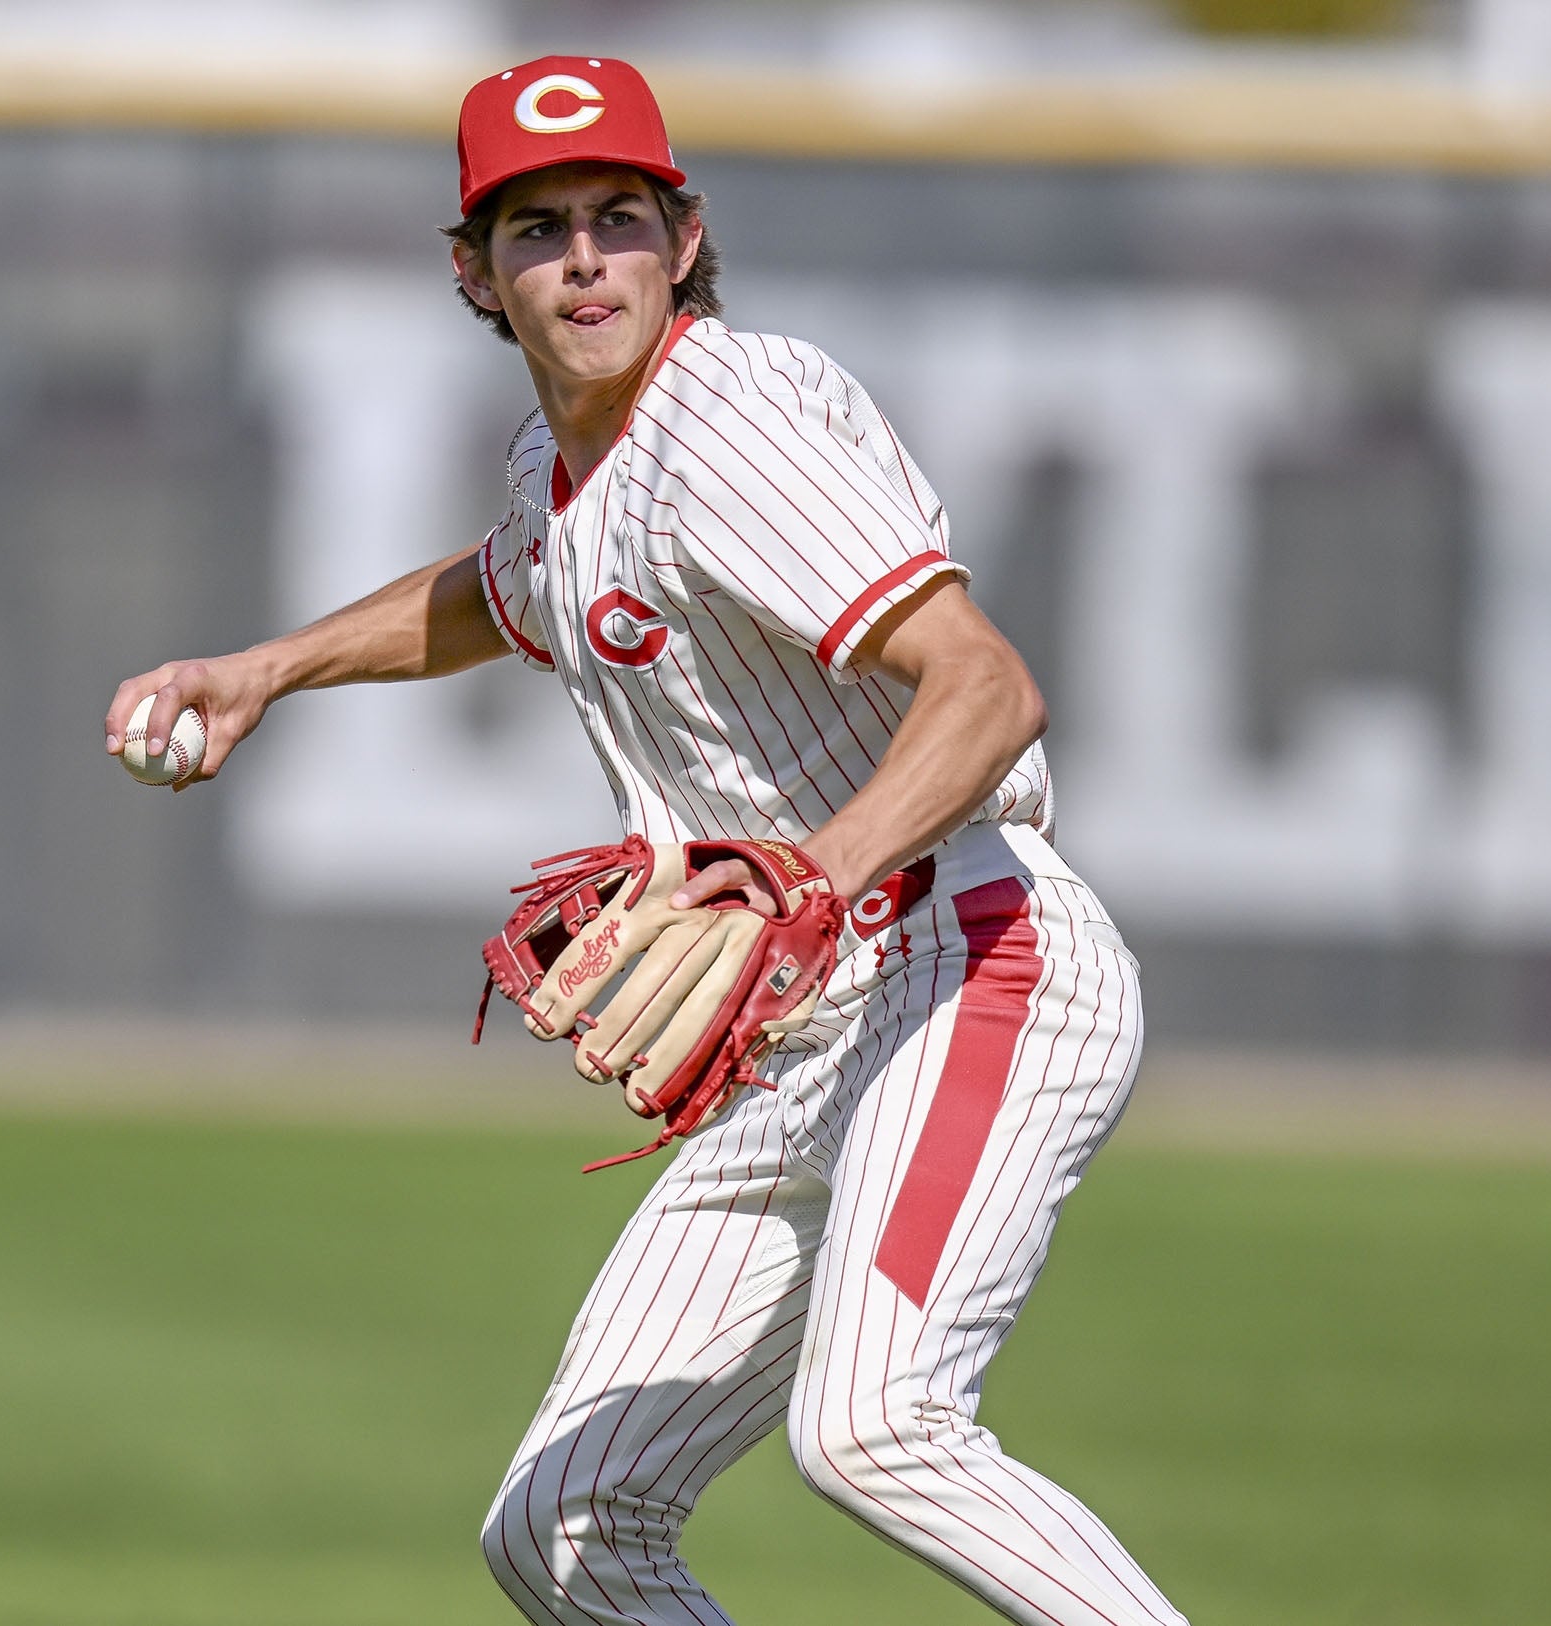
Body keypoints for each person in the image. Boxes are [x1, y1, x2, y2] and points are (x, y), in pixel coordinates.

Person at [101, 54, 1186, 1626]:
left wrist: (816, 874)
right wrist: (267, 666)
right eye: (538, 228)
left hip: (972, 960)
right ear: (473, 272)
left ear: (683, 241)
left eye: (620, 215)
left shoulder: (722, 423)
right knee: (562, 1528)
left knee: (876, 1429)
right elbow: (503, 584)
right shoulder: (566, 471)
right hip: (808, 1015)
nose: (586, 256)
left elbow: (985, 681)